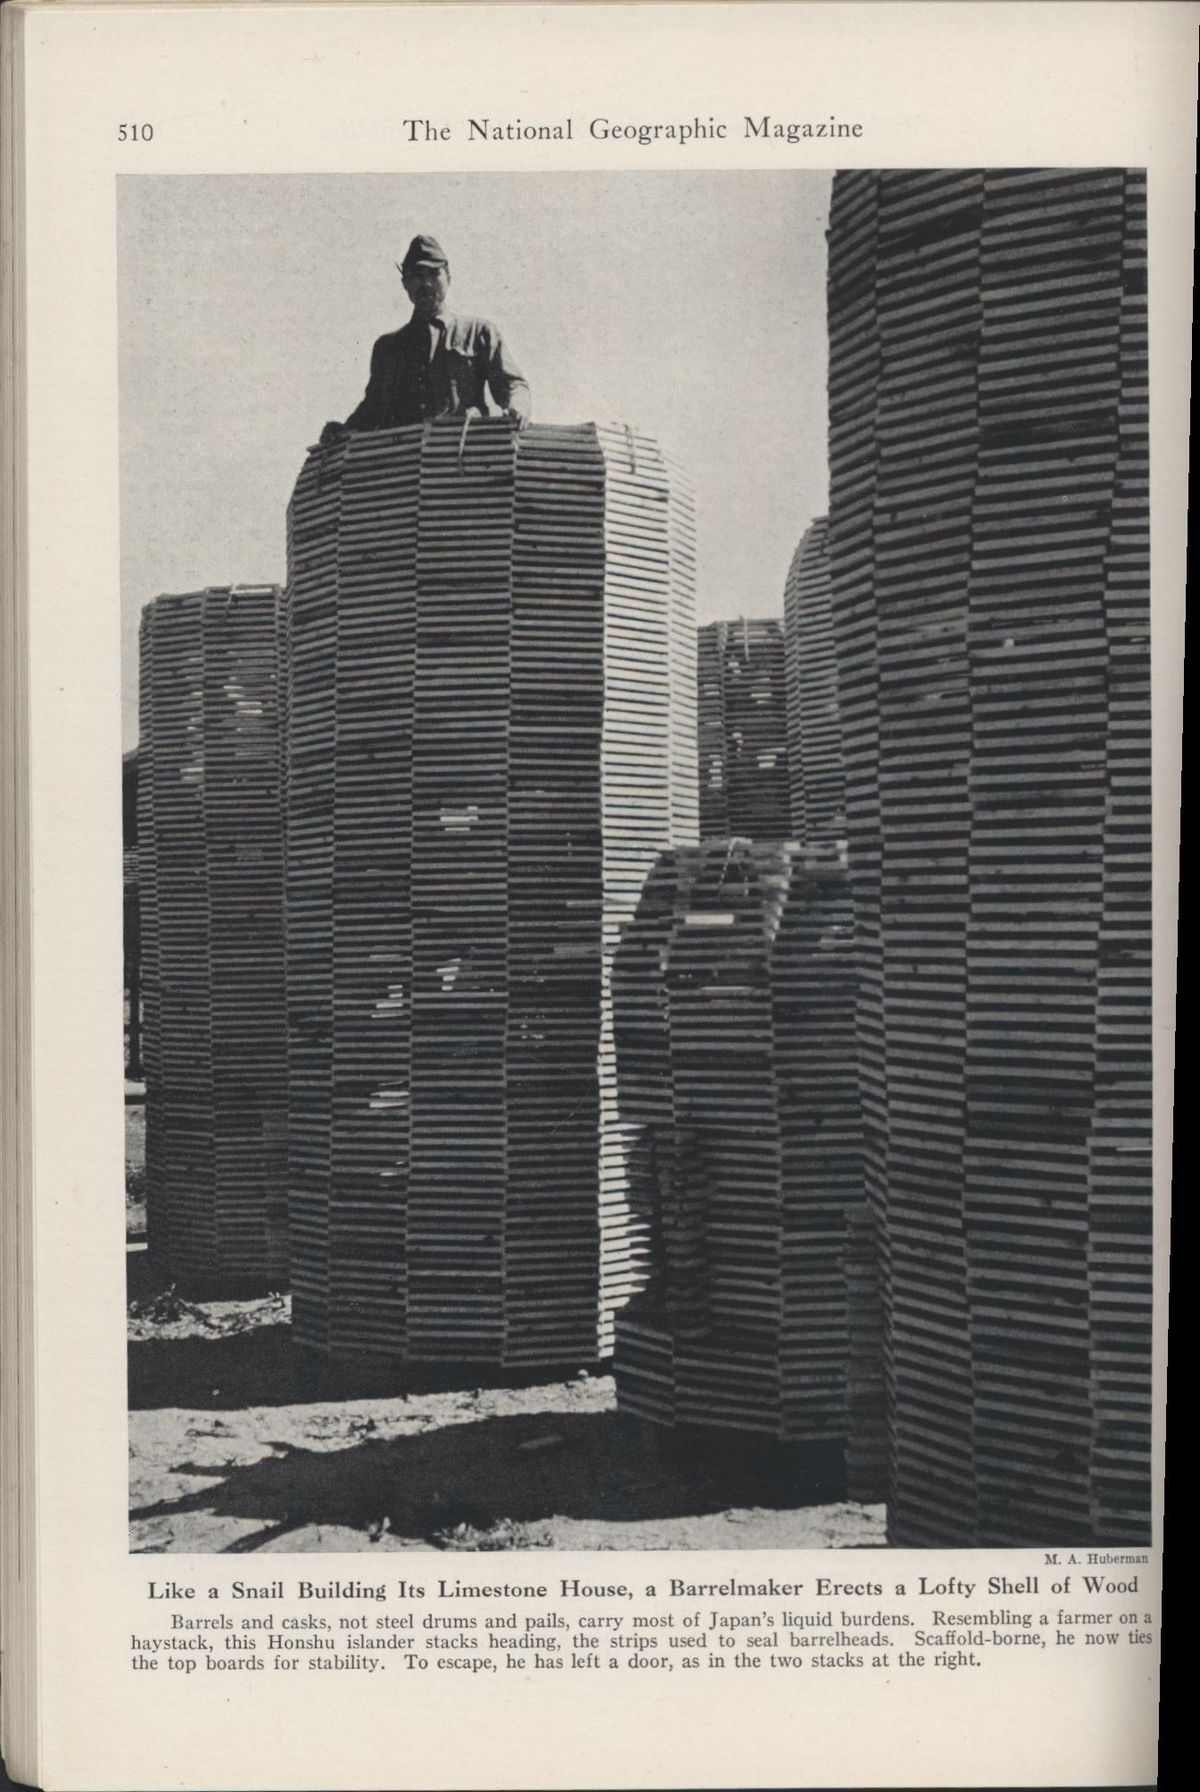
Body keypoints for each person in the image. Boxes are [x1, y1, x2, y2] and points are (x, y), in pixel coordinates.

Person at [320, 234, 531, 444]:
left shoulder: (478, 333)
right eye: (417, 275)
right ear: (405, 283)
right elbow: (372, 409)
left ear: (449, 278)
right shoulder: (388, 348)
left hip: (463, 454)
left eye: (434, 273)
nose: (426, 283)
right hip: (404, 456)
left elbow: (512, 384)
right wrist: (343, 430)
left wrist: (518, 407)